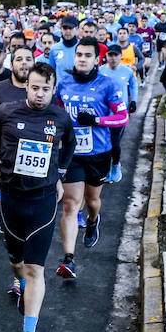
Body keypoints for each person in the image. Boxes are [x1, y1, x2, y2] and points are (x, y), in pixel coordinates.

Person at [0, 62, 75, 332]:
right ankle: (19, 281)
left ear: (53, 89)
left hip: (43, 203)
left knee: (34, 268)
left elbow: (69, 143)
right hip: (10, 199)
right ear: (27, 86)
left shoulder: (59, 117)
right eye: (35, 87)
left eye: (46, 89)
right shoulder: (7, 111)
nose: (40, 94)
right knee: (17, 262)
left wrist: (60, 170)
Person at [55, 37, 127, 280]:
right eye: (79, 55)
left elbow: (122, 117)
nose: (82, 59)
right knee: (70, 203)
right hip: (72, 153)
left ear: (97, 60)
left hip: (98, 152)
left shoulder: (108, 84)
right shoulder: (63, 83)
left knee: (92, 200)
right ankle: (68, 260)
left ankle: (94, 220)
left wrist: (97, 121)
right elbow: (56, 111)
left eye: (87, 55)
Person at [98, 44, 139, 183]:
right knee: (104, 143)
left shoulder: (126, 71)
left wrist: (133, 100)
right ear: (106, 56)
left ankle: (115, 166)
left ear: (121, 56)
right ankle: (105, 169)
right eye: (110, 55)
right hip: (103, 113)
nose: (113, 58)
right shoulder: (100, 71)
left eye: (116, 55)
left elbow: (134, 84)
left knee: (114, 143)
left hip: (119, 115)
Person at [48, 15, 80, 83]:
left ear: (76, 29)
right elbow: (51, 71)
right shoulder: (54, 49)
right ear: (61, 29)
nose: (68, 31)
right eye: (65, 28)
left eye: (70, 28)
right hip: (60, 89)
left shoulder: (82, 47)